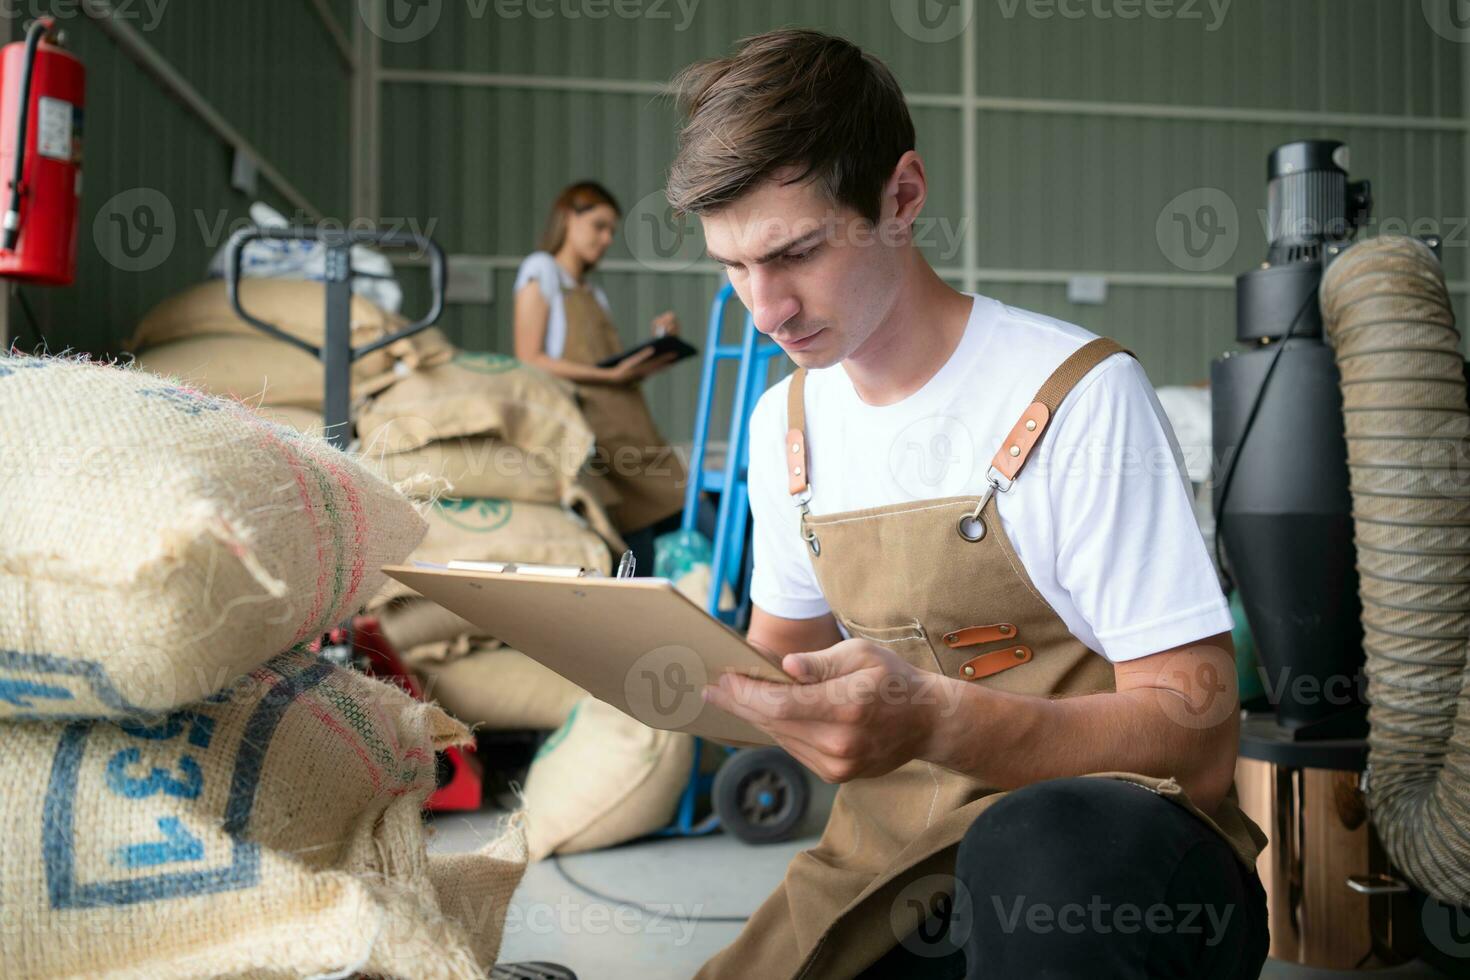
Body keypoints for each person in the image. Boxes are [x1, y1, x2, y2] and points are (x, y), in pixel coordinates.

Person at [665, 30, 1270, 979]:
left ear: (902, 197)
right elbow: (779, 665)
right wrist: (643, 654)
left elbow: (1196, 737)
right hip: (893, 871)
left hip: (1109, 866)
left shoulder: (1076, 394)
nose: (765, 308)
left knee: (1040, 850)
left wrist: (940, 719)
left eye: (796, 253)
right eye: (732, 267)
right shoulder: (784, 425)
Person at [513, 181, 689, 571]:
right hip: (597, 438)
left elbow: (614, 372)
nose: (608, 238)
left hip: (633, 431)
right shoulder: (540, 271)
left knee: (678, 517)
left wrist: (659, 350)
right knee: (651, 532)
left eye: (612, 230)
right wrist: (604, 377)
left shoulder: (594, 293)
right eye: (599, 226)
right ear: (568, 217)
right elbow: (530, 359)